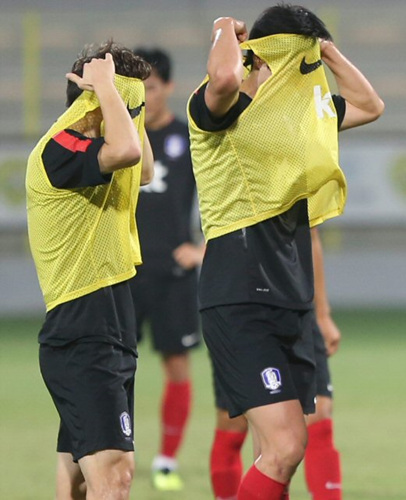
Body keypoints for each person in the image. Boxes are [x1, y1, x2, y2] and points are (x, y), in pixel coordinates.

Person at [187, 4, 384, 499]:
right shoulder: (217, 108)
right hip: (240, 297)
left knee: (279, 452)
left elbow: (369, 104)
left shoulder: (295, 124)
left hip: (288, 297)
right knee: (285, 446)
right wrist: (225, 32)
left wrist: (326, 49)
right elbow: (226, 75)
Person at [26, 41, 154, 500]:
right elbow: (128, 153)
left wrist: (125, 100)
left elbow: (144, 170)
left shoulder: (96, 147)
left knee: (77, 481)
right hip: (83, 329)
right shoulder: (61, 146)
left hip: (109, 324)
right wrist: (106, 88)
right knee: (115, 477)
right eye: (130, 96)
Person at [209, 227, 344, 500]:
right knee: (258, 435)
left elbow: (313, 232)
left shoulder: (297, 188)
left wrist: (322, 313)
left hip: (297, 306)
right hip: (242, 307)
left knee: (314, 418)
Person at [130, 47, 205, 491]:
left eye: (151, 87)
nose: (144, 95)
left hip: (174, 272)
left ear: (169, 88)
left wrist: (201, 247)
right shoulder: (120, 135)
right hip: (124, 268)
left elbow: (222, 195)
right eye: (136, 87)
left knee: (176, 364)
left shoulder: (189, 137)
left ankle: (165, 460)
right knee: (115, 363)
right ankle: (117, 446)